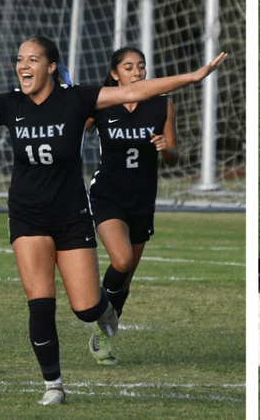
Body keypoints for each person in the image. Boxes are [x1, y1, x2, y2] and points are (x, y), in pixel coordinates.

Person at [0, 34, 226, 405]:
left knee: (85, 308)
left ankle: (104, 311)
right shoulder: (11, 104)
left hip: (71, 216)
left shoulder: (77, 99)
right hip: (27, 216)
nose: (23, 66)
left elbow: (137, 92)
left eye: (33, 59)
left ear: (51, 67)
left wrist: (193, 77)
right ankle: (53, 385)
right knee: (40, 302)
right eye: (20, 59)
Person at [84, 47, 179, 365]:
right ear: (115, 73)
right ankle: (98, 308)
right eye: (129, 67)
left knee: (126, 276)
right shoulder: (100, 103)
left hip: (142, 199)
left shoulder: (162, 105)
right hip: (107, 195)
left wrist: (166, 149)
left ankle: (102, 337)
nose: (137, 72)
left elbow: (173, 156)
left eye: (141, 66)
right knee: (121, 260)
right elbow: (68, 131)